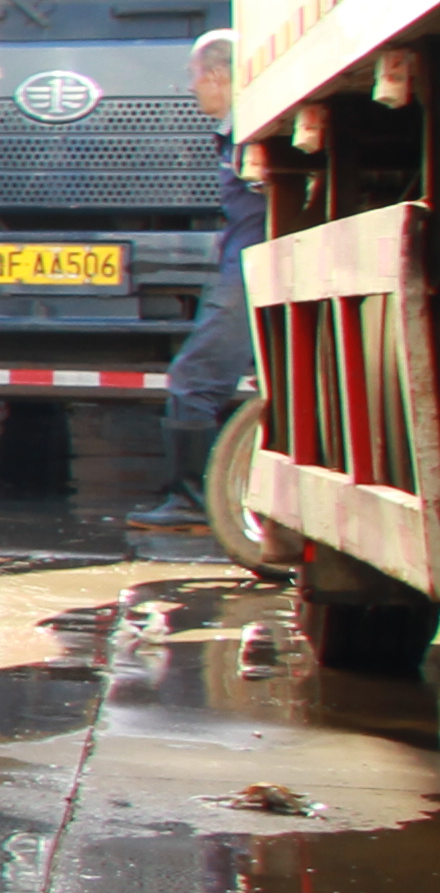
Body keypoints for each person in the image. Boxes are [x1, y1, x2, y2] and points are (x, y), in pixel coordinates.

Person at [157, 27, 259, 523]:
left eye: (195, 76)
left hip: (250, 272)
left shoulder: (250, 134)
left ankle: (192, 503)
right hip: (245, 266)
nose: (192, 87)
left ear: (218, 76)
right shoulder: (240, 132)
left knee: (193, 380)